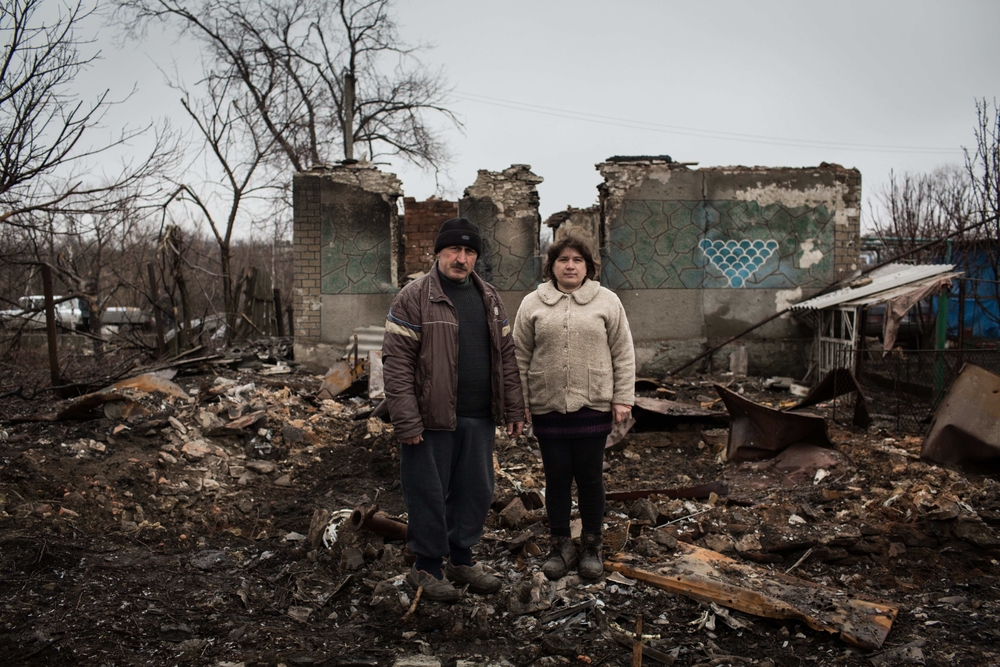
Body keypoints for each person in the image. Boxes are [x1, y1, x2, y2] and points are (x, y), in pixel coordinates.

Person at [382, 217, 525, 602]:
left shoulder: (490, 299)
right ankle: (426, 569)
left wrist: (514, 409)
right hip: (430, 422)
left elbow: (506, 359)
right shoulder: (413, 297)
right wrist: (406, 420)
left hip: (479, 417)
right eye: (454, 250)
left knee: (475, 491)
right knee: (428, 493)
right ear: (439, 253)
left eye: (469, 251)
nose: (461, 259)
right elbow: (395, 367)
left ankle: (461, 560)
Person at [513, 235, 635, 581]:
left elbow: (623, 351)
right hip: (547, 406)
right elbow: (519, 356)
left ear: (587, 267)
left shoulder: (607, 301)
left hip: (592, 404)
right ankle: (561, 545)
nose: (570, 265)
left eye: (577, 260)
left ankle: (592, 547)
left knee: (590, 478)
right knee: (556, 479)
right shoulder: (533, 303)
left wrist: (622, 396)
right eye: (563, 259)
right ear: (551, 266)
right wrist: (519, 403)